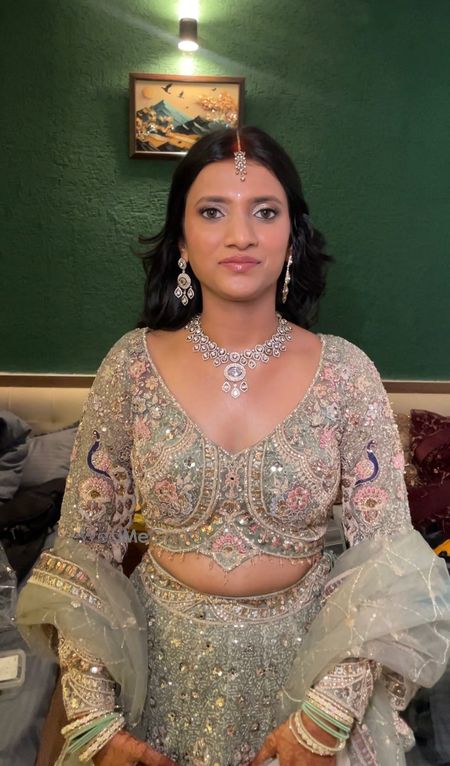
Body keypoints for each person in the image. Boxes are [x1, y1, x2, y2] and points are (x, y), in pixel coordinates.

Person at [16, 127, 450, 766]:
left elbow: (388, 564)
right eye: (213, 211)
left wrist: (328, 716)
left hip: (307, 680)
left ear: (293, 236)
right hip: (153, 681)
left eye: (265, 212)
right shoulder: (132, 367)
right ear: (182, 238)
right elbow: (86, 547)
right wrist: (92, 716)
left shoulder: (345, 374)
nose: (240, 235)